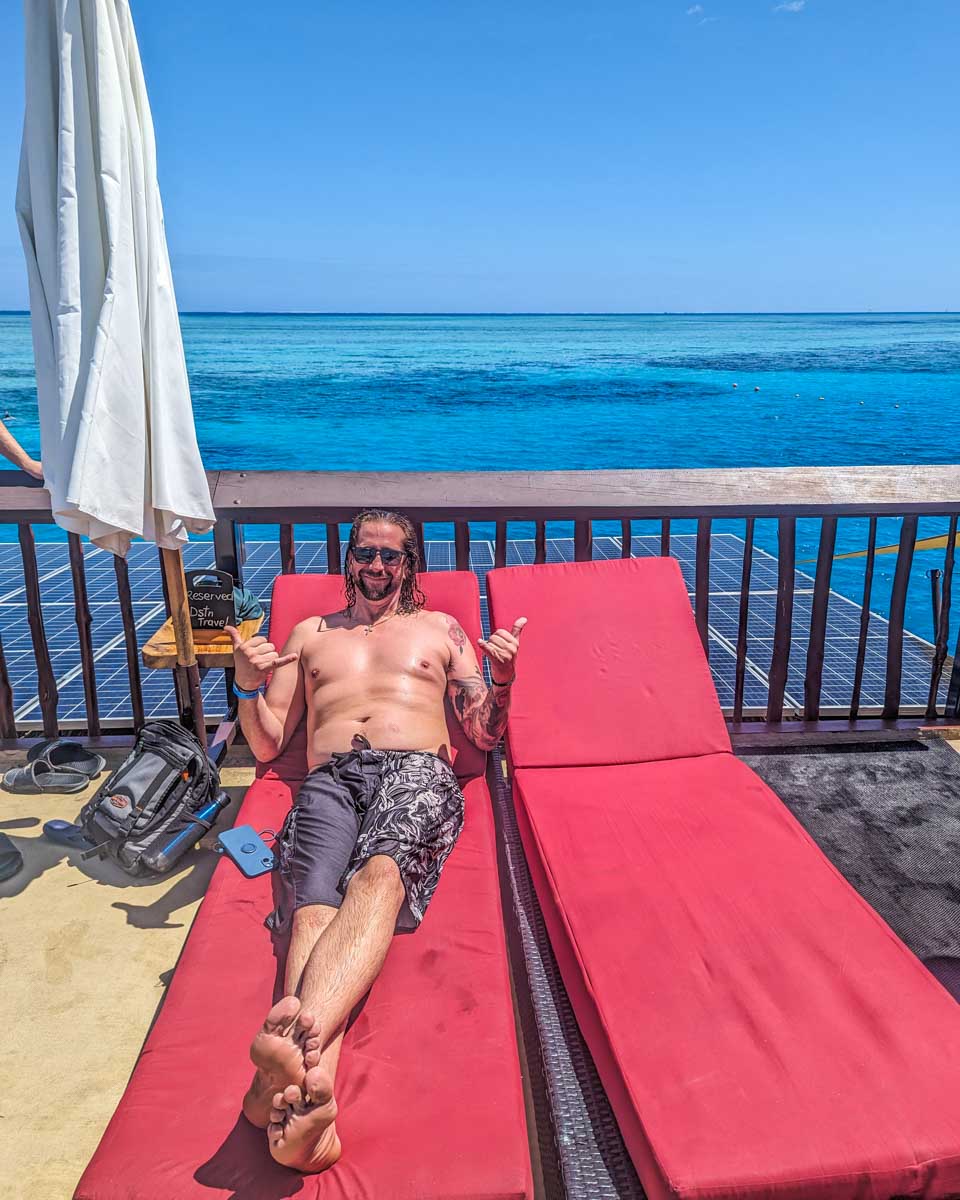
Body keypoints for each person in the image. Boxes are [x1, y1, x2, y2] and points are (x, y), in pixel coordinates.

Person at [225, 509, 527, 1174]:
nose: (378, 567)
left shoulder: (441, 631)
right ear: (349, 559)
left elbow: (481, 735)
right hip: (330, 780)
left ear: (410, 565)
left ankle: (286, 1070)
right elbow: (271, 741)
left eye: (392, 556)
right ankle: (309, 1116)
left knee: (380, 877)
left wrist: (500, 683)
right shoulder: (308, 635)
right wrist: (245, 685)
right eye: (367, 553)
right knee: (311, 907)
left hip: (417, 772)